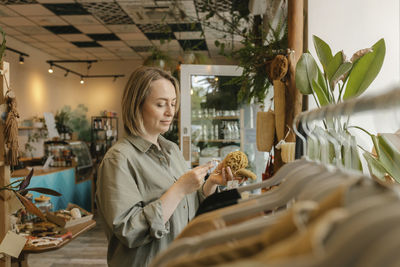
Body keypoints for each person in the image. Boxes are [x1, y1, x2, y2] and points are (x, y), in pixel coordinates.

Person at [96, 66, 236, 267]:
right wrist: (179, 189)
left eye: (173, 103)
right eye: (161, 104)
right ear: (137, 105)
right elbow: (129, 230)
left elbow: (186, 210)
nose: (171, 112)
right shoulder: (118, 159)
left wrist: (210, 184)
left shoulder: (171, 149)